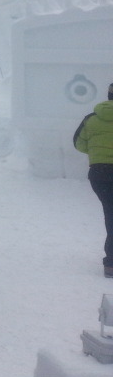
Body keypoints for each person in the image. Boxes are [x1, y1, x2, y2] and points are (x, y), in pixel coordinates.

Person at [74, 81, 113, 278]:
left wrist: (98, 152)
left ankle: (111, 264)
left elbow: (79, 144)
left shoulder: (91, 119)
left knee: (111, 214)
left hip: (100, 174)